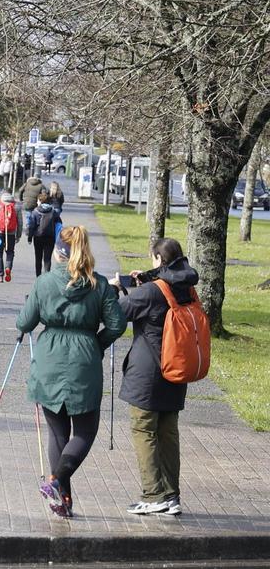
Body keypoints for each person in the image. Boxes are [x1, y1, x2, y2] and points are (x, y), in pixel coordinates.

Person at [17, 226, 126, 517]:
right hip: (84, 361)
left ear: (57, 252)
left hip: (49, 359)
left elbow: (25, 322)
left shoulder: (44, 282)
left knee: (58, 433)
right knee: (86, 431)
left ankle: (60, 495)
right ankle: (58, 487)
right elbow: (117, 325)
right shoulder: (100, 285)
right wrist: (96, 343)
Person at [108, 238, 199, 517]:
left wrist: (115, 291)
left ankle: (153, 495)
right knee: (168, 434)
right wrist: (140, 284)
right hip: (176, 372)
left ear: (159, 259)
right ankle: (172, 496)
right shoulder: (187, 288)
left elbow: (116, 314)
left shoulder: (150, 292)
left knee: (144, 431)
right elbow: (158, 297)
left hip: (148, 375)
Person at [26, 197, 61, 277]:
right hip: (50, 237)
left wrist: (30, 237)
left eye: (38, 200)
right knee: (47, 259)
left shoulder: (35, 212)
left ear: (40, 201)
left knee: (38, 258)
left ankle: (38, 277)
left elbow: (31, 225)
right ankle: (46, 276)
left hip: (38, 237)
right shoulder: (53, 211)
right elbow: (59, 223)